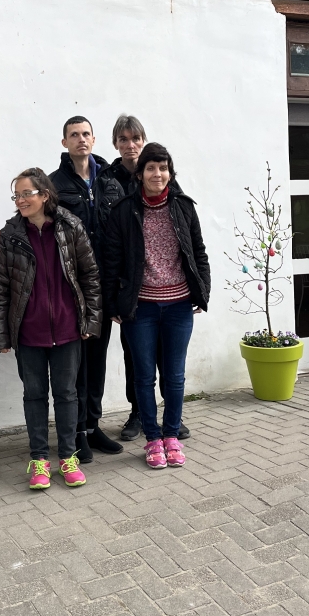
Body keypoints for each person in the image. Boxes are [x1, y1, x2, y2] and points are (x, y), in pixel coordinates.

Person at [0, 168, 101, 490]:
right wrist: (1, 334)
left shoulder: (71, 226)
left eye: (27, 193)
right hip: (29, 332)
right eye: (17, 195)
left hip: (68, 329)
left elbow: (90, 276)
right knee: (34, 396)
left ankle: (68, 457)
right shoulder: (10, 234)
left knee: (67, 395)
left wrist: (90, 320)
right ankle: (39, 459)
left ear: (45, 195)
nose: (21, 200)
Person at [103, 143, 210, 469]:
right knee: (144, 377)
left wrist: (202, 292)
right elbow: (111, 262)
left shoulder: (183, 207)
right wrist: (113, 303)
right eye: (151, 168)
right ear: (140, 174)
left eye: (163, 168)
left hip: (179, 306)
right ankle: (152, 438)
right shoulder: (124, 211)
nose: (157, 173)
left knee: (175, 377)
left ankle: (172, 435)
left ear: (170, 173)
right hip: (141, 309)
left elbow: (199, 253)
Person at [107, 115, 191, 444]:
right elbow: (112, 250)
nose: (130, 144)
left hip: (174, 299)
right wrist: (115, 297)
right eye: (123, 139)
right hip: (136, 295)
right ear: (116, 144)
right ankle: (139, 415)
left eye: (135, 138)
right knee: (137, 362)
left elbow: (191, 243)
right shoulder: (109, 179)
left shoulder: (172, 190)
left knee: (170, 365)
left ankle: (172, 420)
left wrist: (200, 290)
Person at [49, 117, 123, 463]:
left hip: (103, 287)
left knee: (97, 360)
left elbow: (122, 233)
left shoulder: (110, 181)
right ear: (65, 142)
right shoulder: (54, 184)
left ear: (94, 140)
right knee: (74, 364)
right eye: (74, 135)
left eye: (86, 134)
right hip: (71, 288)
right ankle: (75, 431)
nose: (81, 139)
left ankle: (93, 426)